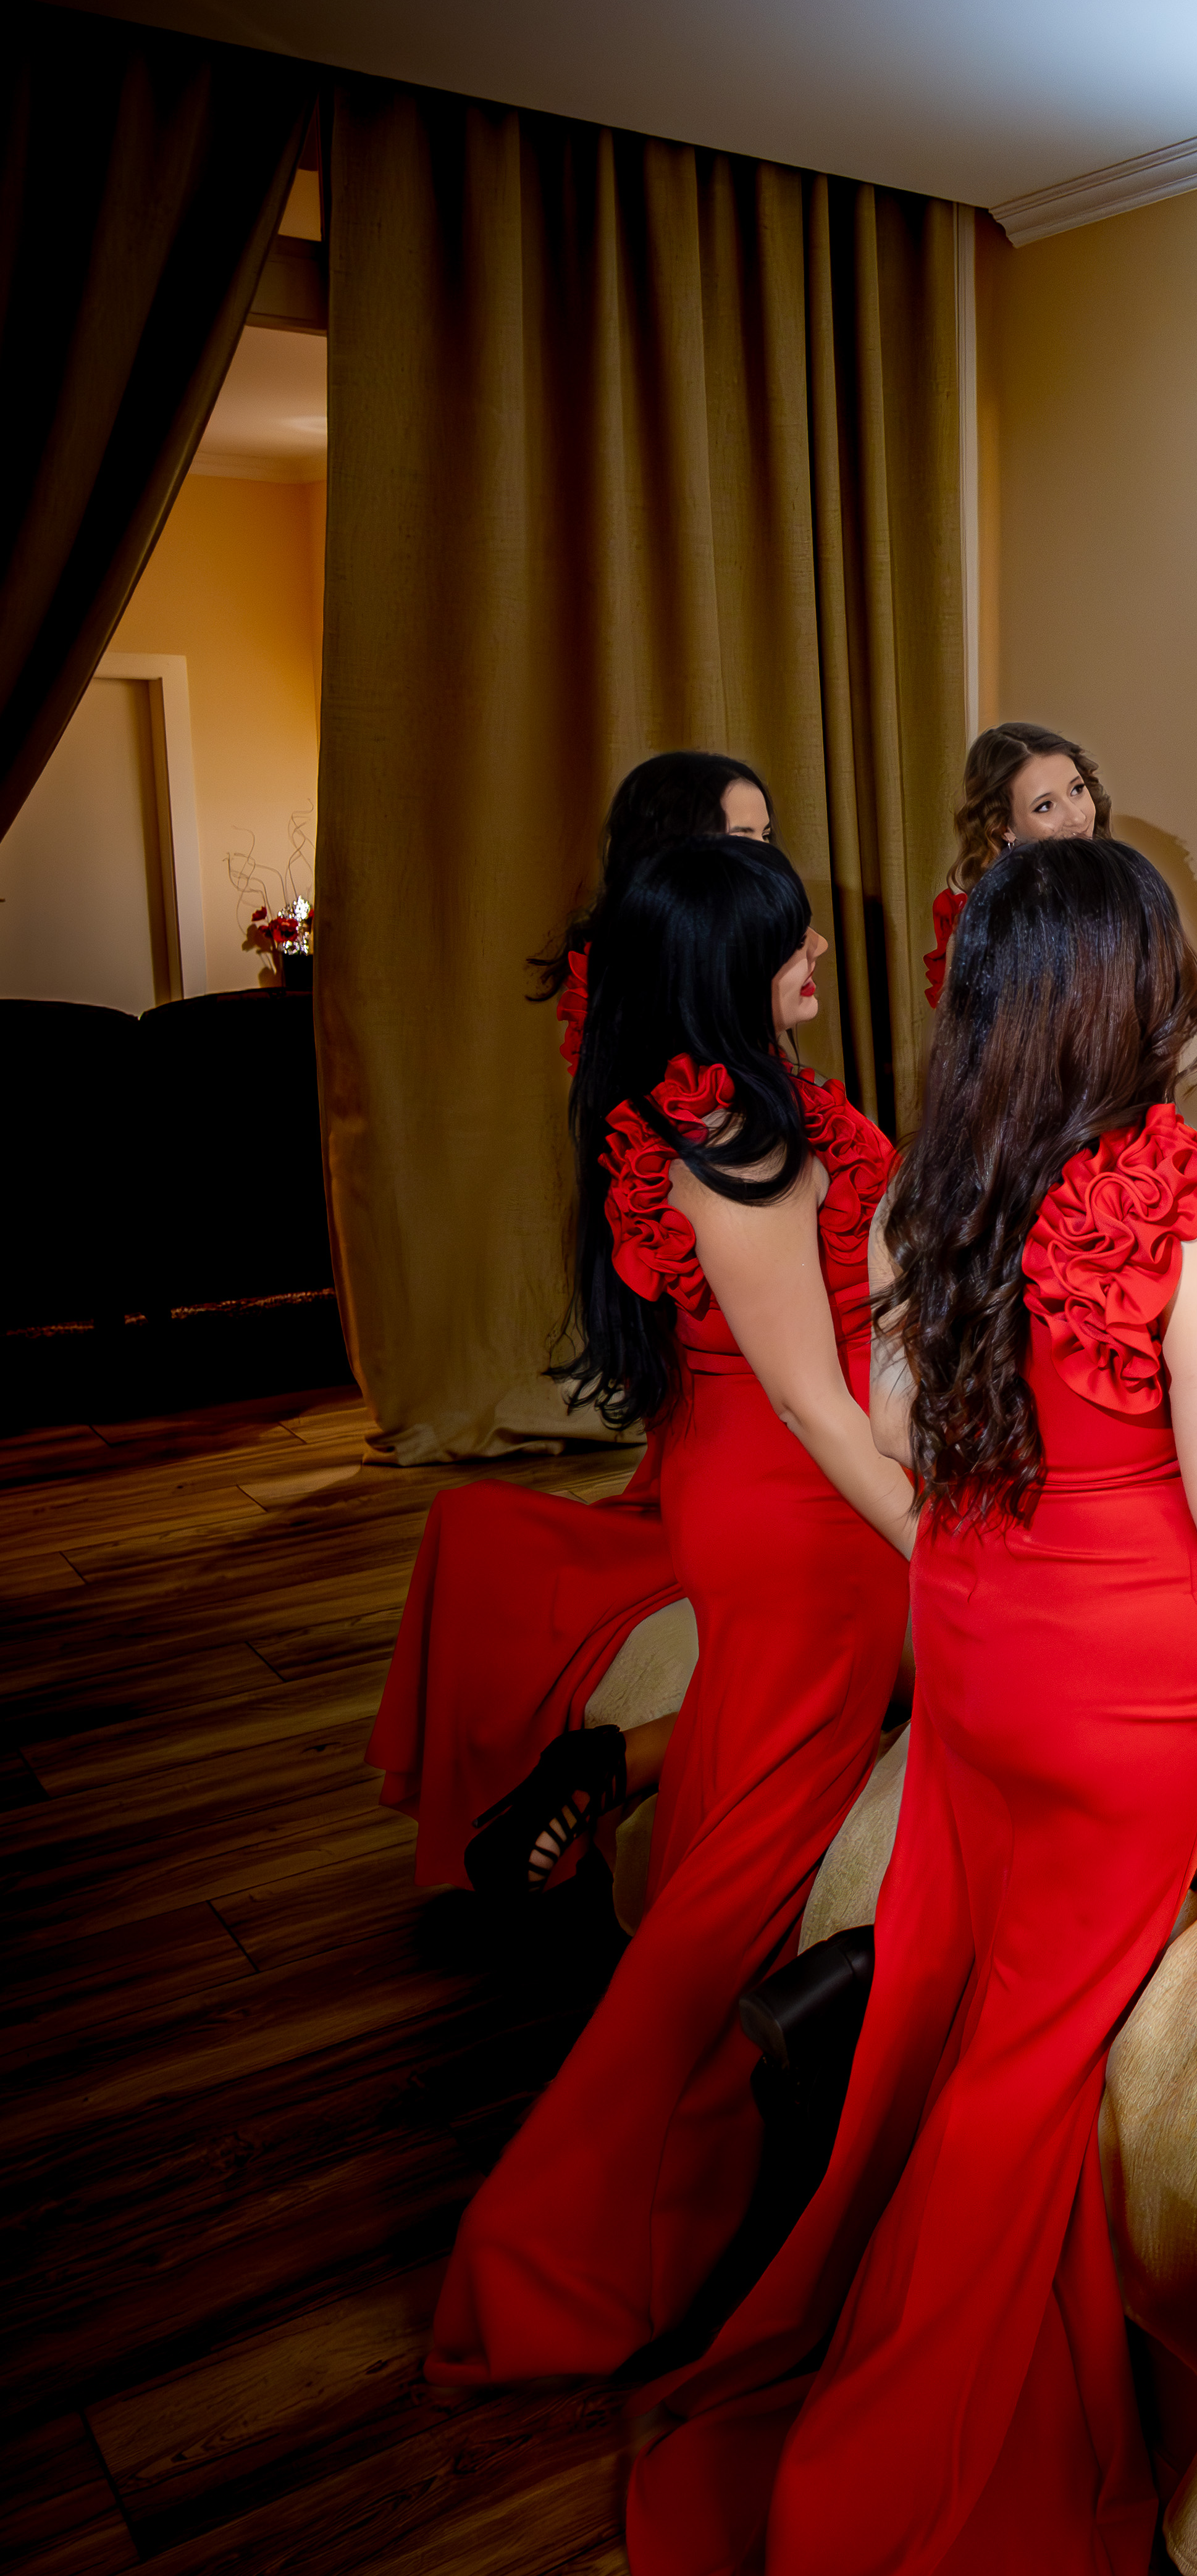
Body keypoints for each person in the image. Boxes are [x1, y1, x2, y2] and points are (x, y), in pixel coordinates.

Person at [626, 835, 1197, 2576]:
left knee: (963, 2016)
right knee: (1017, 2095)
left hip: (973, 1659)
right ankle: (870, 2497)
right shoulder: (1186, 1216)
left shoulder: (919, 1193)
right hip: (1117, 1704)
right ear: (1132, 992)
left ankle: (918, 2381)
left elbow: (902, 1444)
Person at [427, 837, 915, 2385]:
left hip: (762, 1482)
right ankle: (564, 2240)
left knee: (729, 1816)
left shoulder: (748, 1106)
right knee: (742, 1877)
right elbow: (821, 1405)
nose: (816, 951)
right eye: (791, 938)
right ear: (725, 966)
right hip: (799, 1511)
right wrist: (943, 1544)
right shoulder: (735, 1148)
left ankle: (659, 2205)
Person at [372, 751, 779, 1899]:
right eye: (744, 840)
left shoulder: (684, 1011)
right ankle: (620, 1761)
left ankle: (613, 1761)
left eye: (767, 837)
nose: (769, 861)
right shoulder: (686, 1066)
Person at [921, 720, 1109, 1008]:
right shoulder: (981, 927)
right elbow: (962, 1031)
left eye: (1076, 789)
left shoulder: (1125, 886)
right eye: (1045, 806)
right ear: (1004, 828)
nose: (1078, 817)